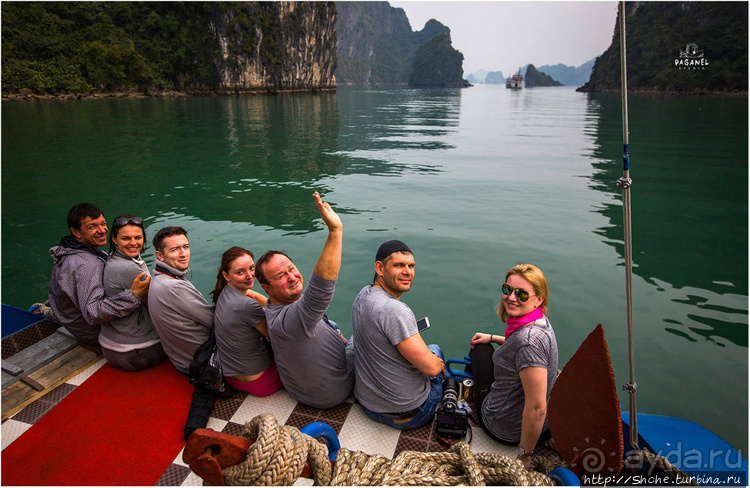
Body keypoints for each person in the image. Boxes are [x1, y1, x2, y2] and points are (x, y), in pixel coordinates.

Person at [254, 192, 354, 409]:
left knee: (333, 325)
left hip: (301, 389)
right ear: (267, 287)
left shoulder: (273, 308)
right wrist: (336, 232)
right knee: (367, 337)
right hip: (331, 394)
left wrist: (245, 293)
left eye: (292, 269)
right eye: (280, 276)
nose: (291, 277)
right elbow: (320, 291)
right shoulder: (291, 320)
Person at [468, 264, 558, 469]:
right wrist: (491, 337)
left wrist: (524, 456)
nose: (511, 297)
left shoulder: (527, 342)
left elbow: (537, 408)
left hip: (504, 427)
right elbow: (518, 347)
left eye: (522, 294)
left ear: (539, 299)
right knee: (485, 344)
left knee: (478, 351)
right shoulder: (540, 322)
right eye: (508, 290)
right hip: (544, 427)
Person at [351, 240, 445, 430]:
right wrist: (437, 363)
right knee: (435, 351)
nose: (408, 272)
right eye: (399, 265)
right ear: (379, 267)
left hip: (368, 403)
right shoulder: (394, 310)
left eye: (411, 266)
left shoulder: (363, 295)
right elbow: (432, 370)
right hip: (408, 414)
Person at [49, 203, 150, 346]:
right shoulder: (86, 264)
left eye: (103, 223)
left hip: (75, 324)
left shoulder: (71, 250)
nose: (102, 230)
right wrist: (133, 295)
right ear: (76, 232)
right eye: (92, 227)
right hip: (92, 332)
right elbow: (93, 313)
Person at [210, 246, 282, 397]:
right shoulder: (247, 306)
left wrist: (262, 299)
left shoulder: (224, 292)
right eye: (240, 272)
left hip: (232, 378)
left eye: (251, 268)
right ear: (226, 275)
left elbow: (250, 294)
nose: (249, 276)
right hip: (261, 382)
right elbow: (276, 336)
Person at [100, 214, 166, 371]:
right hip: (137, 353)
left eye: (138, 237)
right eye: (126, 238)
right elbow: (156, 304)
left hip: (112, 347)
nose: (133, 243)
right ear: (114, 239)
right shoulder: (128, 268)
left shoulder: (113, 258)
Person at [148, 226, 214, 374]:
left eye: (186, 247)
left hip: (179, 358)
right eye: (175, 249)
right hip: (200, 362)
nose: (183, 254)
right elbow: (214, 320)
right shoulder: (173, 288)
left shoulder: (158, 279)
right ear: (159, 255)